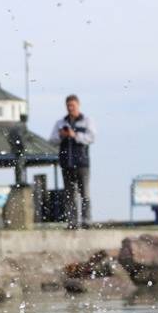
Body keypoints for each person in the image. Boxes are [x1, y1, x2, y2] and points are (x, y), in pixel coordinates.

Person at [49, 94, 96, 229]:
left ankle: (87, 221)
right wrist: (61, 136)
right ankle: (72, 222)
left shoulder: (87, 121)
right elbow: (52, 140)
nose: (70, 108)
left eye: (73, 106)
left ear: (78, 105)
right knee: (69, 195)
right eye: (68, 106)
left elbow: (91, 137)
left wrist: (75, 135)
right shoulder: (60, 123)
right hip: (66, 163)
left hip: (82, 162)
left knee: (84, 193)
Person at [8, 113, 28, 186]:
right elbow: (20, 136)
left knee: (17, 164)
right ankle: (20, 180)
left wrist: (13, 145)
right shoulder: (23, 125)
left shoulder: (15, 125)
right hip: (20, 148)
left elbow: (9, 138)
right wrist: (22, 146)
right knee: (20, 164)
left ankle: (18, 180)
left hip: (15, 148)